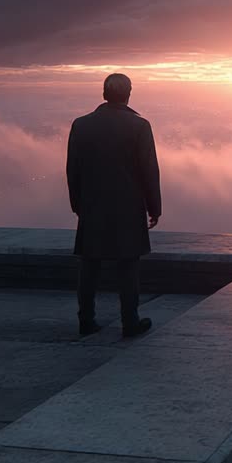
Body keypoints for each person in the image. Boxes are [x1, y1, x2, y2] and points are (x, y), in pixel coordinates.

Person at [66, 73, 161, 337]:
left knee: (89, 264)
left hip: (92, 205)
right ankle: (130, 322)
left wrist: (77, 204)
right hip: (128, 206)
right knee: (128, 265)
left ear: (103, 93)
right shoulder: (139, 126)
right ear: (129, 93)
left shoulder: (81, 125)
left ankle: (85, 320)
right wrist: (154, 207)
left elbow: (72, 170)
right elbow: (149, 171)